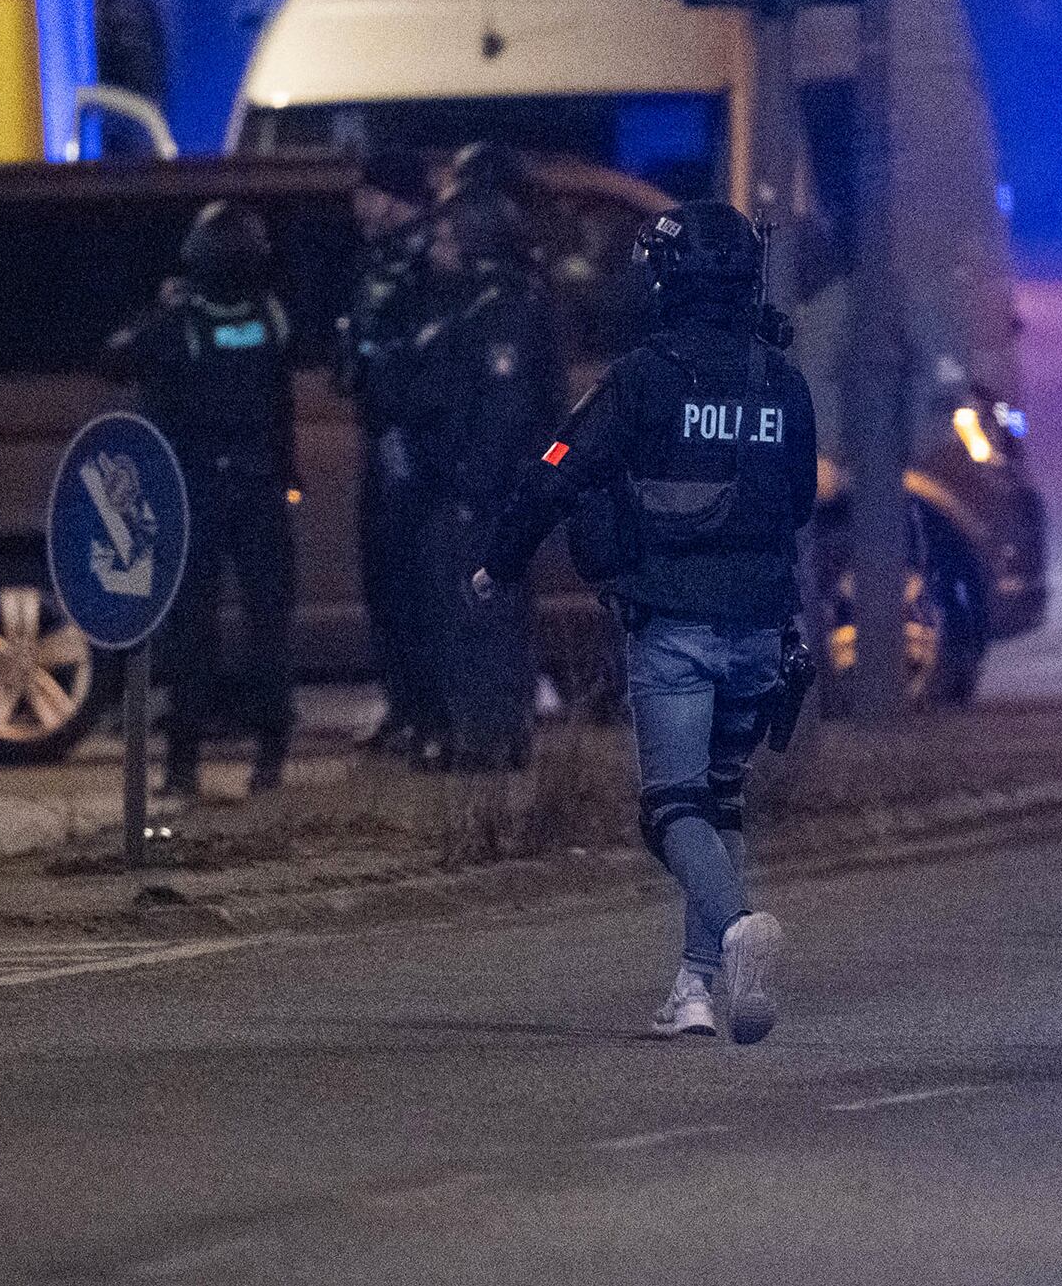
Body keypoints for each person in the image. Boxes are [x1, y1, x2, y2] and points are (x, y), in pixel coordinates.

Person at [476, 201, 814, 1044]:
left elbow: (556, 470)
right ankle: (695, 991)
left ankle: (737, 928)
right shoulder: (780, 378)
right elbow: (802, 499)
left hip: (672, 626)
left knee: (669, 808)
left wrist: (499, 561)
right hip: (761, 630)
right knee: (721, 800)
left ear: (670, 279)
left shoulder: (642, 376)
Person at [100, 202, 301, 797]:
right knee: (269, 624)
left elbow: (114, 356)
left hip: (195, 493)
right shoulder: (270, 317)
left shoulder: (179, 322)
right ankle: (269, 759)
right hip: (262, 488)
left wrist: (164, 303)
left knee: (191, 628)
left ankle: (184, 764)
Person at [404, 185, 561, 772]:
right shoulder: (502, 299)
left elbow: (503, 408)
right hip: (496, 489)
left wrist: (481, 483)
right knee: (488, 614)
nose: (439, 244)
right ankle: (494, 734)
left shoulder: (496, 307)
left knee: (478, 617)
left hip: (482, 495)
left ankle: (485, 740)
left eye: (451, 233)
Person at [339, 148, 438, 754]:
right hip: (380, 436)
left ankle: (427, 712)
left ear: (388, 195)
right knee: (384, 580)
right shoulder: (376, 260)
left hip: (415, 441)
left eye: (365, 191)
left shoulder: (426, 258)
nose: (357, 205)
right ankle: (404, 708)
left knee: (415, 582)